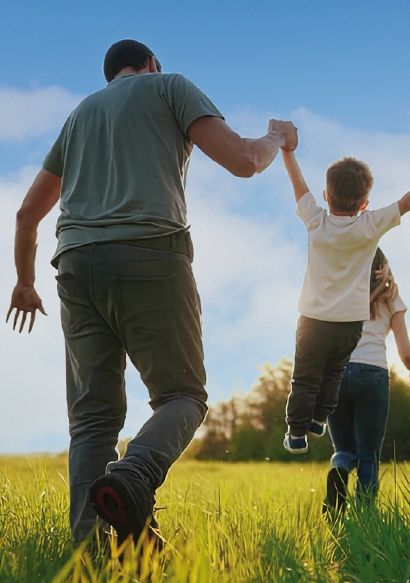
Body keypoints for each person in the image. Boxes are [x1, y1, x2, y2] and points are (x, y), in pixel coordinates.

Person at [5, 40, 298, 548]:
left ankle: (93, 556)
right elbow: (246, 160)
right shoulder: (169, 86)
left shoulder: (80, 116)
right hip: (149, 252)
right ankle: (134, 474)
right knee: (183, 395)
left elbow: (28, 214)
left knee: (93, 420)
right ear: (151, 65)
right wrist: (276, 138)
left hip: (73, 264)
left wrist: (25, 282)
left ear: (109, 76)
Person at [279, 149, 410, 456]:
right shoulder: (369, 225)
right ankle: (319, 418)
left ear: (325, 196)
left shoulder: (316, 222)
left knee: (305, 377)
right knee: (332, 373)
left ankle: (296, 434)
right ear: (364, 204)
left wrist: (287, 151)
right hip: (349, 324)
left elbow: (298, 185)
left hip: (313, 320)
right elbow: (408, 202)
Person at [322, 248, 410, 515]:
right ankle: (365, 519)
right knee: (369, 455)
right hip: (373, 375)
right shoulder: (392, 298)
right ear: (382, 266)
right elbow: (405, 351)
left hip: (336, 373)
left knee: (343, 449)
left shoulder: (337, 291)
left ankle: (339, 470)